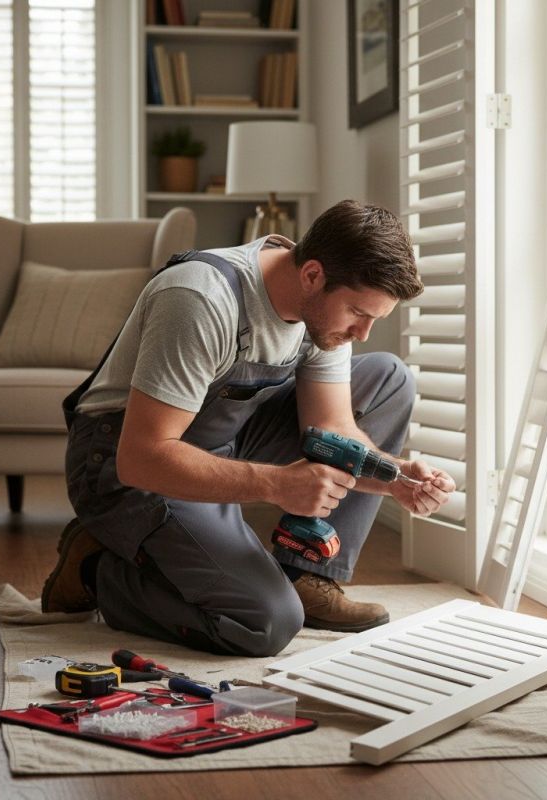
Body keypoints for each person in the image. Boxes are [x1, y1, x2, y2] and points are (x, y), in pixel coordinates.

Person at [41, 199, 456, 657]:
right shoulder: (200, 298)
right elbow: (142, 456)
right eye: (359, 313)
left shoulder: (320, 313)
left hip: (223, 438)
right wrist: (278, 484)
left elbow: (332, 430)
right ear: (313, 274)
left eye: (376, 318)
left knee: (388, 376)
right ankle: (95, 567)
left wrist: (395, 477)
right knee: (265, 623)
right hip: (124, 461)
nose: (364, 333)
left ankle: (307, 577)